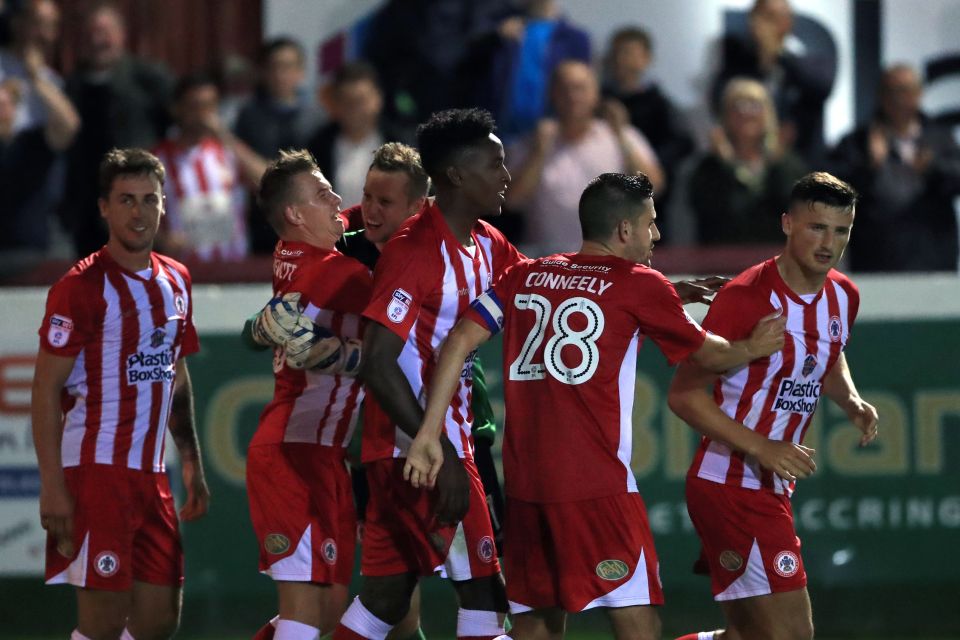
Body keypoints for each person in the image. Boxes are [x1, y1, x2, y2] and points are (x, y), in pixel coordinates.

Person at [402, 172, 786, 640]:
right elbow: (711, 355)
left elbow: (458, 340)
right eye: (651, 223)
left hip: (525, 487)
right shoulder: (640, 284)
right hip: (598, 488)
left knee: (536, 624)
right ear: (625, 230)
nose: (657, 235)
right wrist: (753, 345)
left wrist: (427, 433)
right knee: (638, 627)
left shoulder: (525, 274)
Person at [332, 108, 521, 640]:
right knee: (484, 590)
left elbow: (539, 288)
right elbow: (377, 361)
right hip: (417, 453)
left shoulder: (487, 242)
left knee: (385, 601)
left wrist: (629, 283)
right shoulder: (413, 252)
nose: (506, 174)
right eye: (495, 163)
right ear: (458, 175)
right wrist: (432, 445)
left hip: (420, 449)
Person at [668, 172, 879, 640]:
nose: (829, 242)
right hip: (731, 484)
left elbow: (829, 350)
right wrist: (762, 447)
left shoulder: (844, 294)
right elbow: (683, 395)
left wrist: (849, 398)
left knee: (748, 636)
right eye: (816, 227)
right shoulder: (745, 298)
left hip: (769, 488)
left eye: (841, 230)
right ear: (787, 224)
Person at [31, 147, 210, 640]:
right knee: (103, 624)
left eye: (149, 199)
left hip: (152, 476)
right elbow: (46, 390)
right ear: (104, 208)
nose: (139, 211)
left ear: (164, 204)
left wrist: (191, 461)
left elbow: (176, 372)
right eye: (126, 200)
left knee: (157, 623)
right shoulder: (80, 288)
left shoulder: (177, 278)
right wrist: (53, 486)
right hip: (96, 472)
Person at [240, 149, 373, 640]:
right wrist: (356, 355)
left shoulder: (289, 253)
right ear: (295, 214)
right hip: (292, 454)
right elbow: (293, 337)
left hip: (323, 455)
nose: (338, 199)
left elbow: (278, 327)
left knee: (327, 608)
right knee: (305, 610)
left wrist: (265, 328)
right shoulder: (342, 272)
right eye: (322, 194)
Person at [506, 60, 663, 256]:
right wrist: (538, 153)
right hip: (548, 263)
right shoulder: (532, 143)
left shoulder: (620, 135)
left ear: (595, 93)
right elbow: (512, 201)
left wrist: (622, 138)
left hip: (612, 260)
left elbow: (655, 186)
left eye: (580, 88)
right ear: (551, 94)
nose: (572, 96)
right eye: (564, 89)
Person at [63, 2, 174, 257]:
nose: (97, 40)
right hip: (87, 209)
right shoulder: (72, 85)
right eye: (91, 33)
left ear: (121, 34)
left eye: (104, 31)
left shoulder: (148, 78)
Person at [828, 64, 960, 272]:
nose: (898, 99)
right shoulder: (857, 142)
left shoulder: (940, 139)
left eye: (905, 91)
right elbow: (834, 191)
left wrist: (932, 169)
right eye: (890, 91)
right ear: (880, 96)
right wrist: (869, 166)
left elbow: (955, 180)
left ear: (918, 94)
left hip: (932, 256)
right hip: (876, 259)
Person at [152, 73, 267, 262]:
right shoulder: (157, 159)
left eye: (209, 106)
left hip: (234, 268)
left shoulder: (230, 151)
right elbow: (131, 213)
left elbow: (271, 184)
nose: (202, 115)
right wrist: (161, 239)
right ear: (176, 109)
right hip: (182, 271)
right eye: (195, 106)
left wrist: (225, 137)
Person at [710, 0, 833, 164]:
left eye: (773, 18)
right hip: (749, 166)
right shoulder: (737, 66)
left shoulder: (807, 64)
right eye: (760, 17)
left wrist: (777, 53)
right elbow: (720, 101)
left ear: (788, 23)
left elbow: (821, 87)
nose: (764, 25)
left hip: (799, 165)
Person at [689, 77, 806, 245]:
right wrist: (727, 166)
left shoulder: (787, 165)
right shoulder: (709, 168)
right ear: (725, 116)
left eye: (755, 105)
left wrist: (777, 164)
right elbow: (718, 216)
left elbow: (794, 212)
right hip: (722, 263)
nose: (746, 112)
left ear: (768, 114)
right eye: (738, 105)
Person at [601, 26, 695, 215]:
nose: (621, 60)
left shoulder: (661, 104)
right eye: (617, 53)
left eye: (628, 53)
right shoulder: (600, 102)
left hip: (650, 203)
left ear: (646, 58)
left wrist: (651, 160)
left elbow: (683, 143)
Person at [309, 61, 409, 207]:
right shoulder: (318, 147)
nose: (355, 110)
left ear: (378, 99)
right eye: (348, 102)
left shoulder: (401, 143)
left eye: (361, 101)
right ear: (335, 104)